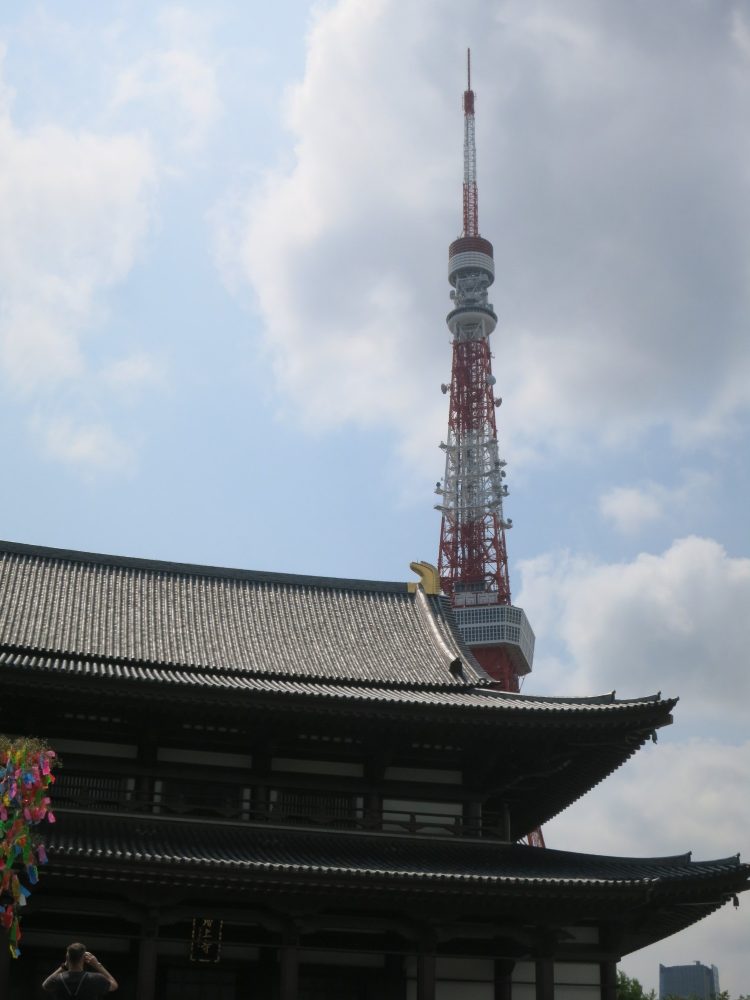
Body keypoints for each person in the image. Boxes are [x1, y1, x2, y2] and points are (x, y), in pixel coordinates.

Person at [42, 942, 118, 997]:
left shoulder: (58, 978)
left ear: (67, 958)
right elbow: (114, 985)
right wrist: (97, 965)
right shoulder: (95, 978)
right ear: (83, 958)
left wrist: (64, 966)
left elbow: (45, 985)